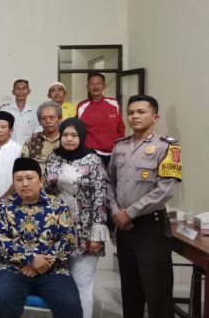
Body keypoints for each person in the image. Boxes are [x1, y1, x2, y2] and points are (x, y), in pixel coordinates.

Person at [106, 95, 181, 318]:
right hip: (124, 227)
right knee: (130, 291)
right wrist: (116, 212)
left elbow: (165, 190)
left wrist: (129, 212)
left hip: (151, 227)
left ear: (155, 117)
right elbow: (109, 182)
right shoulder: (120, 146)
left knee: (157, 292)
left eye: (141, 112)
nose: (135, 116)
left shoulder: (168, 147)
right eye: (130, 112)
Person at [0, 158, 81, 318]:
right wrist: (30, 258)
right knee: (0, 300)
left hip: (53, 269)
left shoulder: (58, 206)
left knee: (70, 304)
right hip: (12, 269)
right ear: (14, 183)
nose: (24, 184)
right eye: (19, 179)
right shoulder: (3, 206)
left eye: (29, 178)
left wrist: (43, 262)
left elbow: (69, 239)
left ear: (41, 181)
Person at [45, 118, 109, 318]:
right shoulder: (53, 157)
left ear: (81, 136)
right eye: (65, 135)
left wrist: (96, 235)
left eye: (74, 135)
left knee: (82, 285)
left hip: (84, 231)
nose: (69, 139)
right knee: (61, 286)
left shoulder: (93, 160)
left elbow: (100, 197)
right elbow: (47, 191)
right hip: (57, 231)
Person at [77, 73, 126, 166]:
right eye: (92, 84)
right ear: (87, 87)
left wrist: (120, 148)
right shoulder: (81, 106)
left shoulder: (113, 103)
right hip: (91, 154)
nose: (95, 87)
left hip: (114, 153)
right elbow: (79, 131)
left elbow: (120, 128)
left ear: (104, 86)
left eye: (99, 83)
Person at [21, 101, 61, 176]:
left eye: (52, 117)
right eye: (44, 118)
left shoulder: (66, 141)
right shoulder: (32, 141)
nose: (48, 121)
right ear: (39, 122)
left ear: (60, 119)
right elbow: (23, 167)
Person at [0, 79, 41, 145]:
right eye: (18, 88)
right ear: (13, 92)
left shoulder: (35, 111)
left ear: (29, 91)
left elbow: (38, 133)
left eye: (24, 88)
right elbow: (0, 131)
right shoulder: (5, 110)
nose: (21, 91)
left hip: (28, 149)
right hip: (8, 148)